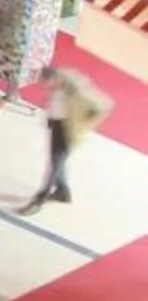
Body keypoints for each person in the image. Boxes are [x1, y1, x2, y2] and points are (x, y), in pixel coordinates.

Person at [20, 67, 112, 214]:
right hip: (57, 126)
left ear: (56, 79)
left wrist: (84, 124)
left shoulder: (77, 92)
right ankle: (62, 191)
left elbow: (102, 106)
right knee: (57, 161)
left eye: (47, 83)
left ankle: (39, 200)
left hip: (68, 132)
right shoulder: (56, 86)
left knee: (55, 165)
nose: (46, 87)